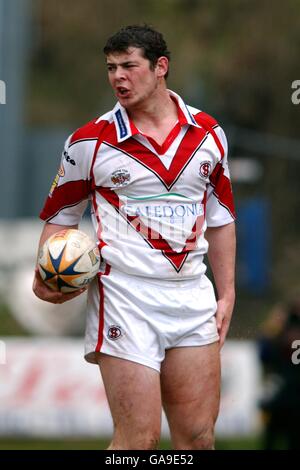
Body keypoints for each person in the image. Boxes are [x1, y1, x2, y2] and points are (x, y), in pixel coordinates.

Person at [33, 24, 236, 450]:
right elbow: (60, 217)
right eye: (111, 68)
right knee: (137, 441)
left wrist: (227, 293)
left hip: (192, 297)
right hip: (125, 296)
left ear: (160, 67)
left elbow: (221, 219)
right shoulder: (89, 141)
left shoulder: (209, 133)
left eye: (129, 66)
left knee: (198, 439)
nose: (118, 77)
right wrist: (48, 275)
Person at [258, 299, 300, 449]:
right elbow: (264, 354)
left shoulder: (281, 331)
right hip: (284, 395)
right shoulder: (282, 331)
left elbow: (264, 355)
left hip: (285, 394)